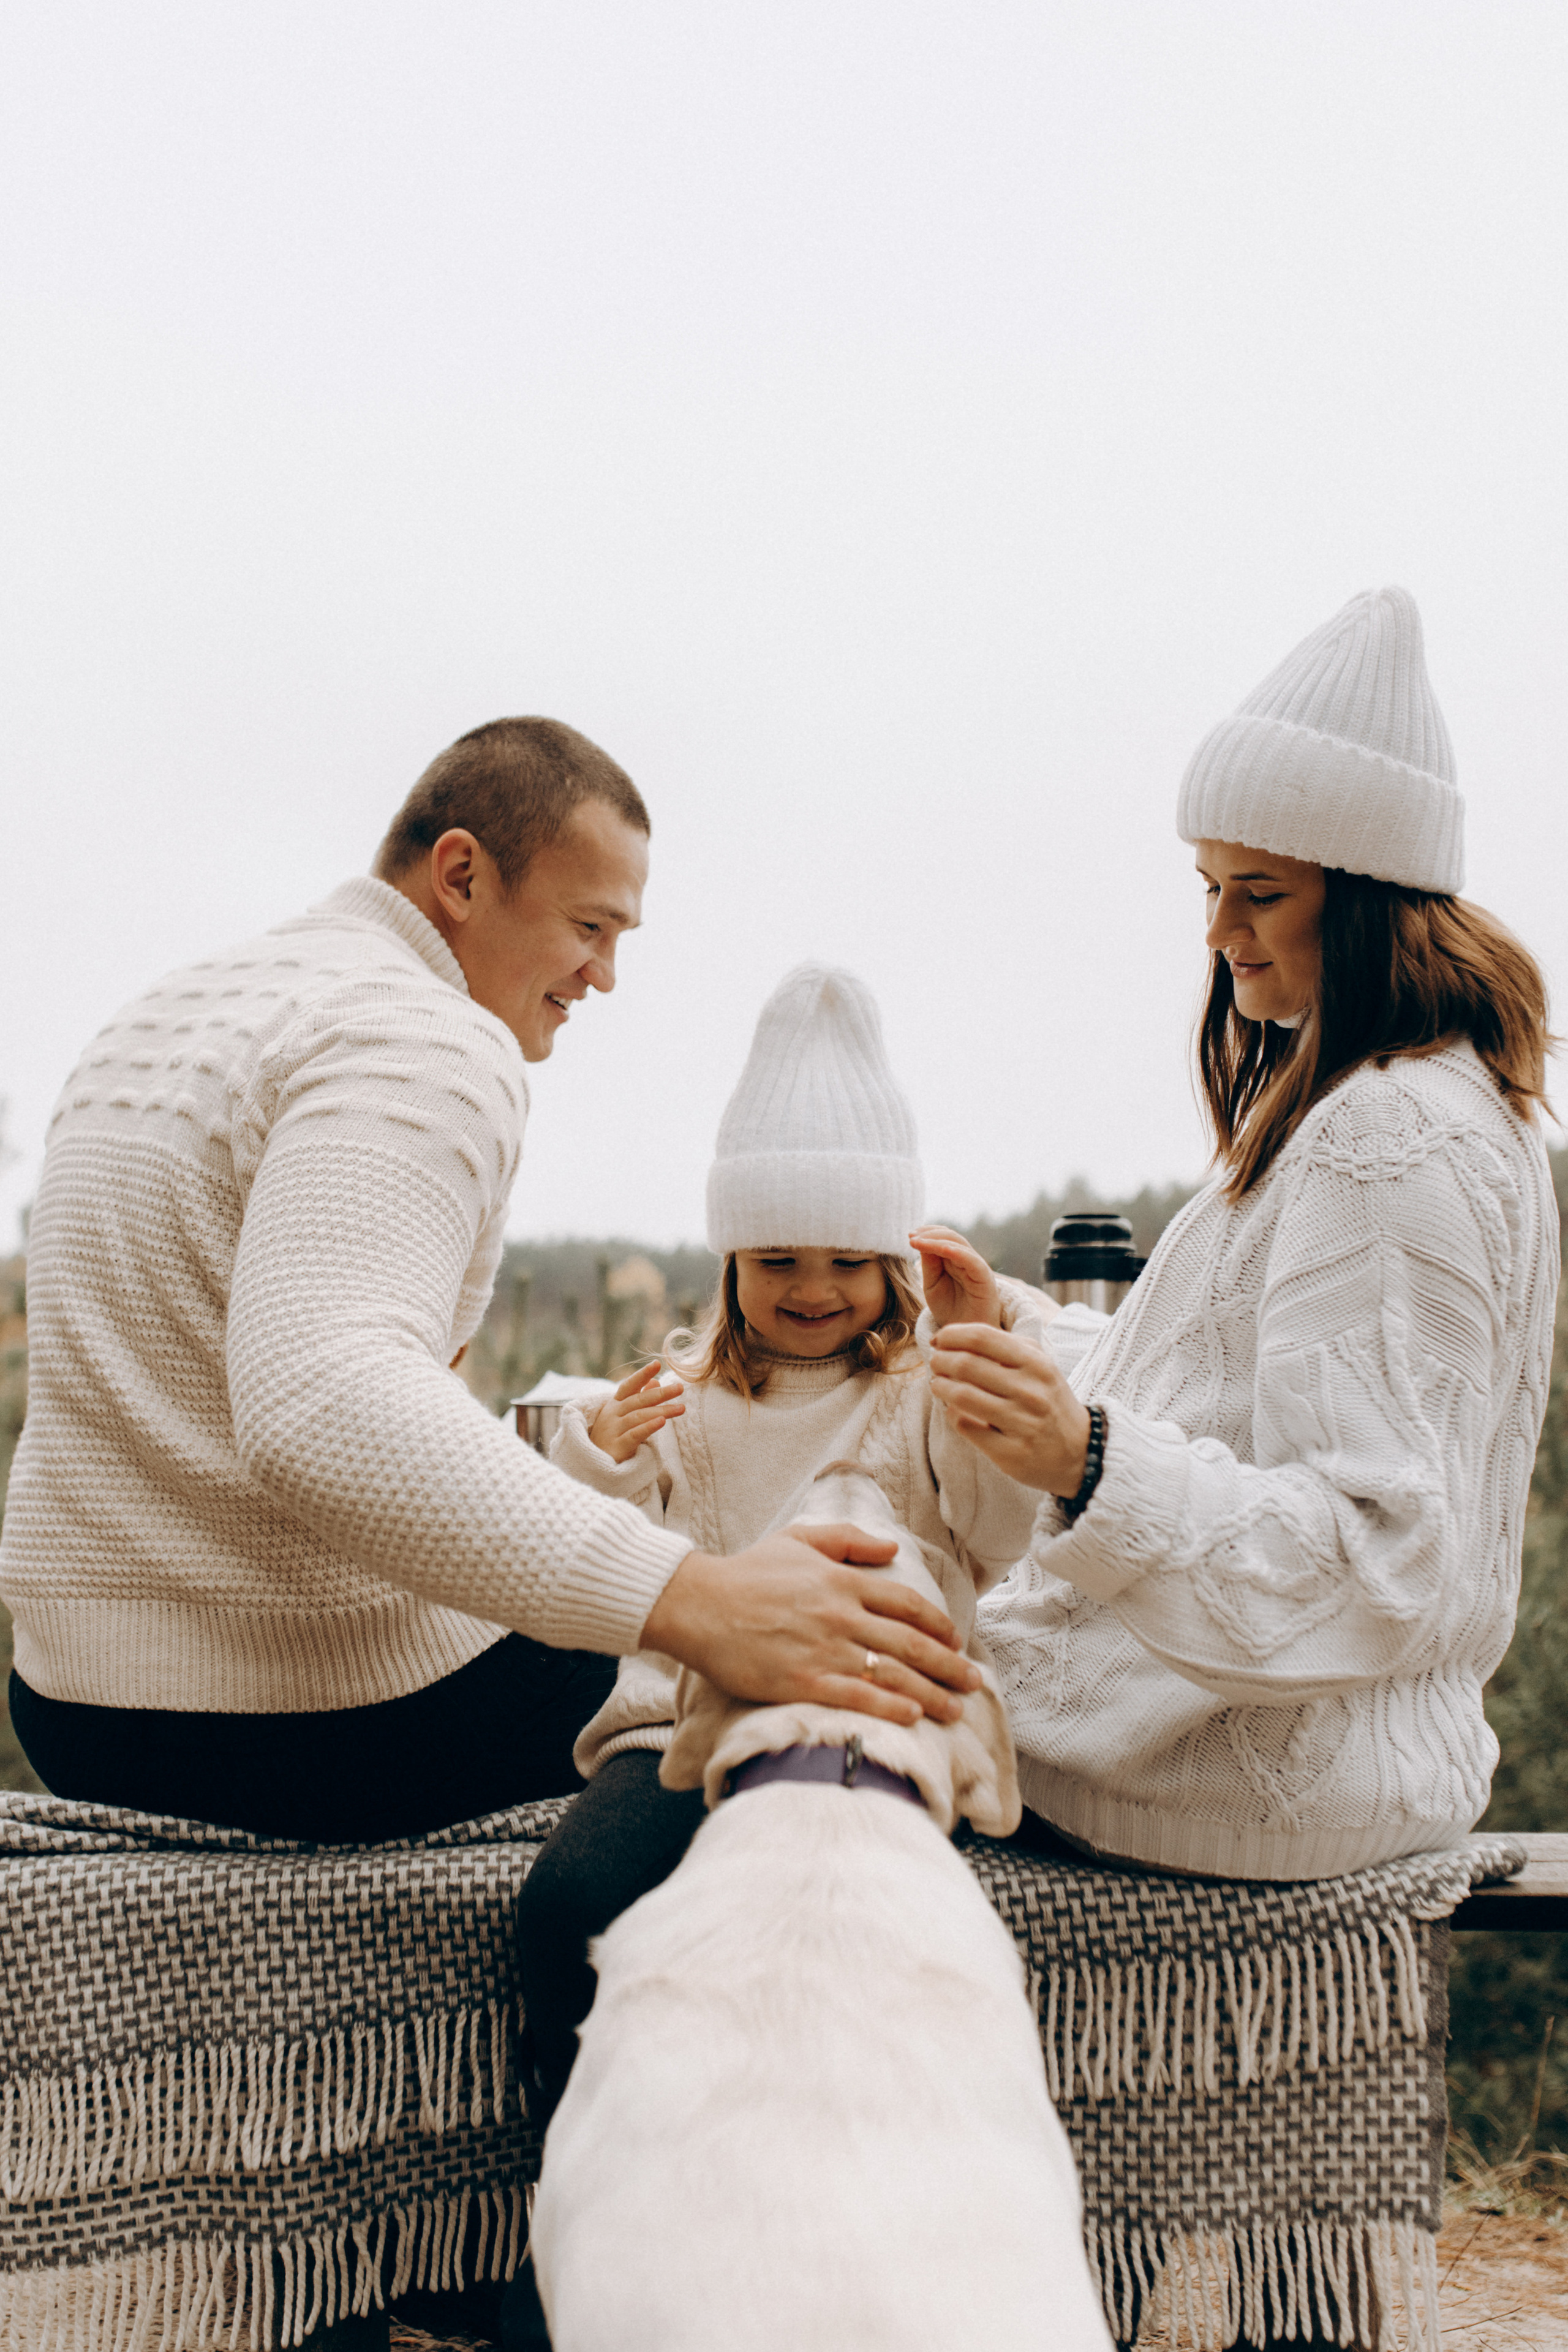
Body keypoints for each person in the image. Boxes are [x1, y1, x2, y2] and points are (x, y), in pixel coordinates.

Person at [0, 718, 978, 1844]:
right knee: (731, 1685)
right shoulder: (425, 1033)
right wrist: (702, 1602)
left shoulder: (168, 1016)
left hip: (68, 1706)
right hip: (311, 1716)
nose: (604, 974)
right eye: (589, 925)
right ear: (461, 874)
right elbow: (321, 1398)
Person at [930, 586, 1558, 1883]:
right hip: (1277, 1766)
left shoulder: (1387, 1139)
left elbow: (1380, 1546)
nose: (1216, 937)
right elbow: (1233, 1406)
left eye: (1256, 894)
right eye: (1210, 888)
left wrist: (1084, 1463)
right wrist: (1022, 1331)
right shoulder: (1424, 1105)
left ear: (1369, 897)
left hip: (1215, 1785)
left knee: (725, 1764)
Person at [513, 962, 1049, 2122]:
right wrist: (599, 1454)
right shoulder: (683, 1393)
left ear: (896, 1264)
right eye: (777, 1261)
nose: (814, 1290)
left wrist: (975, 1368)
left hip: (881, 1727)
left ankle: (847, 2155)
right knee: (572, 1904)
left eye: (849, 1260)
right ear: (731, 1260)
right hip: (677, 1731)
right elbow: (587, 1560)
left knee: (882, 1948)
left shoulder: (920, 1387)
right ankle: (576, 2172)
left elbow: (998, 1534)